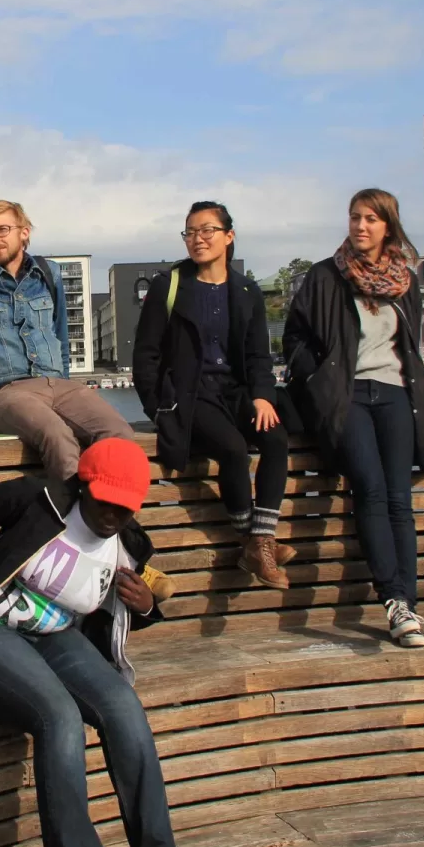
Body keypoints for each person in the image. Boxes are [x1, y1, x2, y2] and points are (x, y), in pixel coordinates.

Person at [0, 438, 175, 847]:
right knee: (60, 716)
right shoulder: (40, 501)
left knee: (124, 707)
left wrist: (144, 607)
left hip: (54, 634)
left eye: (124, 508)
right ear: (84, 484)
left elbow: (129, 602)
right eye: (105, 502)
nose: (113, 515)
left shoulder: (127, 542)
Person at [283, 189, 424, 649]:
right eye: (355, 217)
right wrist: (317, 378)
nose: (360, 226)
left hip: (396, 394)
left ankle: (408, 606)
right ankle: (394, 600)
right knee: (371, 490)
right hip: (348, 397)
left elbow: (408, 346)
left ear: (388, 226)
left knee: (400, 499)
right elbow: (295, 337)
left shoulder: (405, 281)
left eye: (371, 219)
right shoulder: (325, 276)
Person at [133, 201, 294, 588]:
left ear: (229, 236)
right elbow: (146, 354)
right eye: (190, 232)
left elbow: (258, 355)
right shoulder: (169, 285)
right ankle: (256, 544)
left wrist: (262, 396)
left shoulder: (246, 290)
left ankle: (259, 541)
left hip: (235, 391)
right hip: (190, 394)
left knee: (275, 439)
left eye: (207, 230)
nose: (198, 239)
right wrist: (158, 409)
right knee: (234, 450)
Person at [0, 199, 133, 481]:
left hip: (59, 385)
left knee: (119, 434)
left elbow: (60, 338)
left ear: (24, 232)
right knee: (57, 437)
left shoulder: (49, 273)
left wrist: (64, 385)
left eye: (2, 230)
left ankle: (108, 509)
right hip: (5, 393)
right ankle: (69, 509)